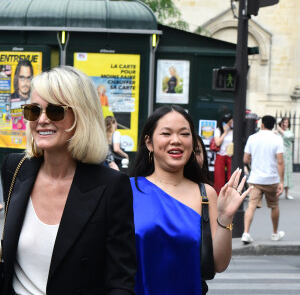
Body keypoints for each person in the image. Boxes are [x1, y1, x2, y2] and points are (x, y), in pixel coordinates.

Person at [1, 66, 136, 295]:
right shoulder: (15, 168)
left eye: (55, 111)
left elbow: (120, 283)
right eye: (34, 110)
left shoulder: (112, 186)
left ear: (81, 116)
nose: (42, 120)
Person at [129, 105, 251, 295]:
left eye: (184, 134)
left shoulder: (206, 194)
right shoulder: (127, 189)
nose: (176, 141)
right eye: (166, 133)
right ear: (149, 142)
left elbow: (218, 264)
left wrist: (225, 218)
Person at [242, 115, 285, 244]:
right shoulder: (277, 139)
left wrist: (252, 163)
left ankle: (246, 233)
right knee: (274, 206)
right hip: (272, 179)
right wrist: (281, 182)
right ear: (273, 126)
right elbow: (280, 162)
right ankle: (275, 233)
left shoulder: (252, 138)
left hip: (255, 178)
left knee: (251, 205)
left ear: (262, 125)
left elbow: (245, 159)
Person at [213, 113, 233, 194]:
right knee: (219, 176)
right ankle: (218, 194)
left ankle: (230, 193)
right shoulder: (218, 130)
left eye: (232, 122)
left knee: (231, 175)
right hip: (220, 155)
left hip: (230, 155)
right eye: (229, 123)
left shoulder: (234, 131)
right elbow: (217, 143)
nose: (231, 124)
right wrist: (225, 132)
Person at [277, 117, 294, 199]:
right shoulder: (277, 133)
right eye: (283, 122)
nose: (285, 124)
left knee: (287, 173)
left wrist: (279, 129)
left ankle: (287, 193)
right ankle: (276, 192)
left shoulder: (289, 132)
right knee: (277, 172)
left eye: (286, 122)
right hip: (278, 155)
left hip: (287, 155)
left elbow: (288, 137)